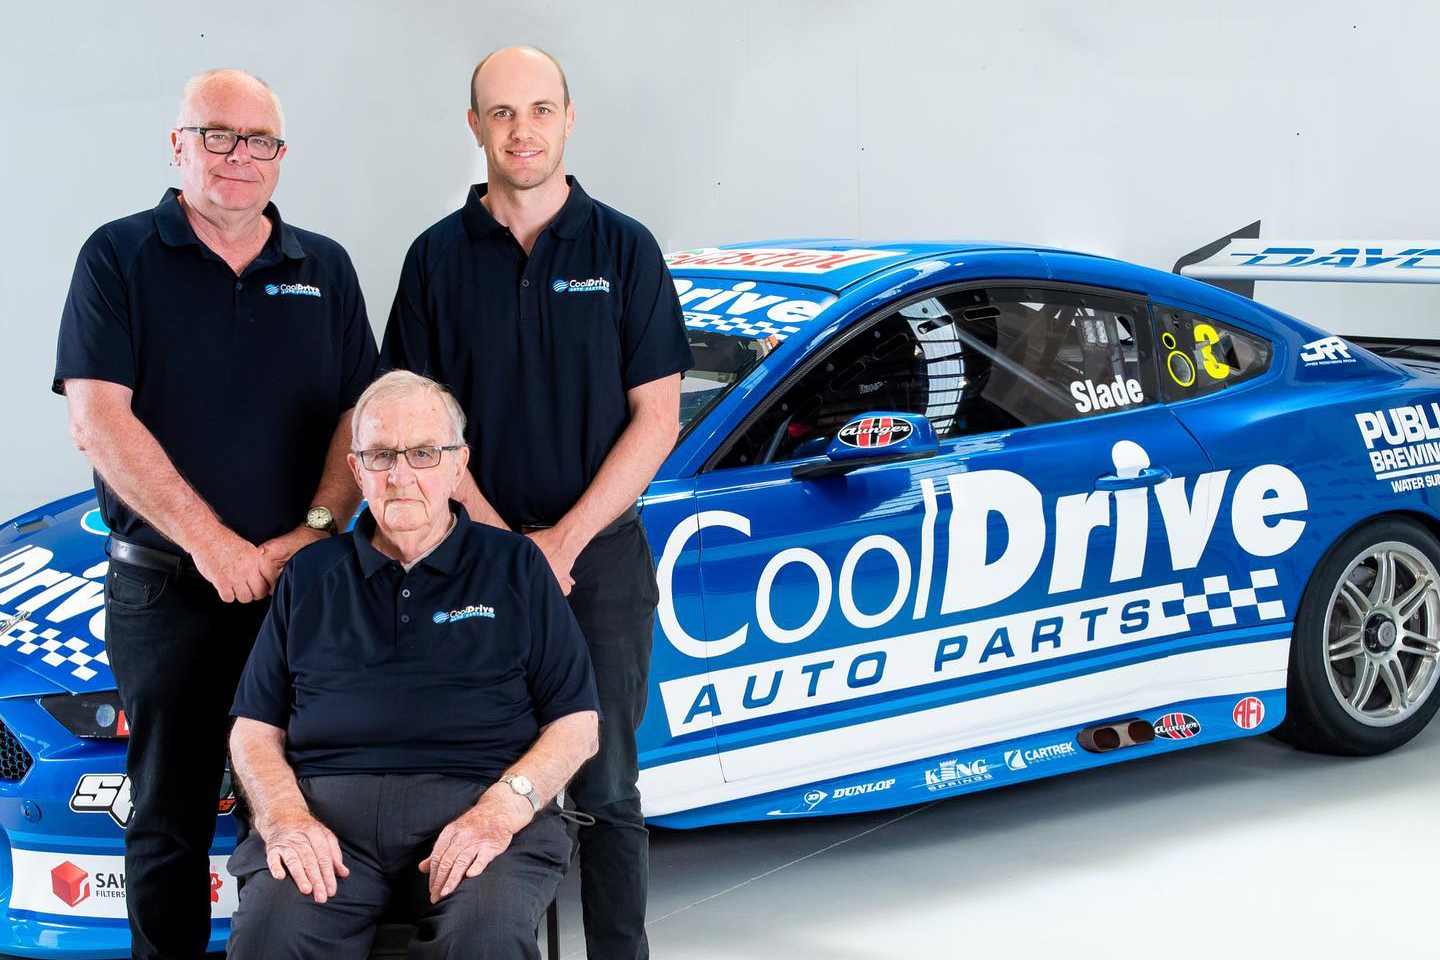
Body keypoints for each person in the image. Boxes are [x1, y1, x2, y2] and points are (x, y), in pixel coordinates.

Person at [52, 69, 378, 959]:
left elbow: (360, 414)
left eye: (259, 140)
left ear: (281, 155)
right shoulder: (118, 256)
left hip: (300, 589)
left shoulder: (324, 267)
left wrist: (313, 531)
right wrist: (213, 545)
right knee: (170, 813)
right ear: (178, 145)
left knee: (299, 802)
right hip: (167, 593)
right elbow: (98, 419)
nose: (240, 156)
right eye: (218, 135)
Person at [380, 45, 692, 959]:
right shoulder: (434, 259)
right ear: (475, 126)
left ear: (568, 118)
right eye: (503, 112)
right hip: (465, 561)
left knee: (607, 788)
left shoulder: (624, 248)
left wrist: (564, 541)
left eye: (541, 109)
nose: (523, 131)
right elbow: (415, 425)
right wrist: (506, 544)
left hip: (601, 562)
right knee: (465, 779)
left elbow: (657, 417)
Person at [226, 370, 600, 960]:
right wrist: (284, 818)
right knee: (269, 938)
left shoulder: (517, 566)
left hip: (479, 807)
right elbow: (253, 728)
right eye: (380, 456)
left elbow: (578, 723)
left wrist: (501, 811)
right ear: (356, 470)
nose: (400, 476)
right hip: (326, 823)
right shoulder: (310, 575)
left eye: (423, 453)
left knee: (483, 941)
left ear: (458, 465)